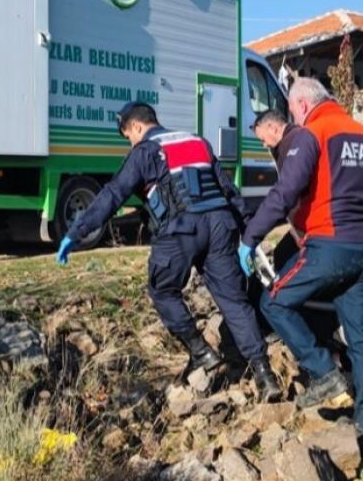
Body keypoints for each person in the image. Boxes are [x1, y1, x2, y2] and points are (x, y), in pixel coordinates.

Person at [56, 102, 282, 401]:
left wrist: (76, 232)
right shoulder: (197, 142)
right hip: (220, 226)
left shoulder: (145, 151)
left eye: (128, 136)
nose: (130, 142)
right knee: (234, 301)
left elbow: (113, 194)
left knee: (162, 290)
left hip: (181, 228)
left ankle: (201, 352)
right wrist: (249, 234)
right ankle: (265, 376)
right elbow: (228, 190)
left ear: (137, 127)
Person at [239, 78, 363, 438]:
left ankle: (325, 373)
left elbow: (285, 191)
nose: (294, 117)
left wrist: (250, 237)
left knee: (274, 301)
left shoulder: (313, 133)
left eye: (293, 110)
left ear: (303, 105)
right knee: (361, 338)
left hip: (330, 246)